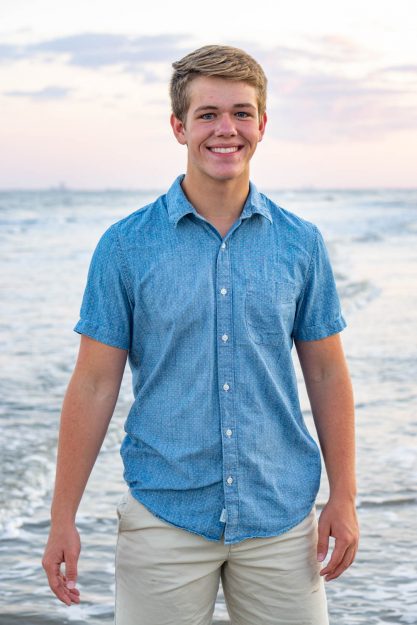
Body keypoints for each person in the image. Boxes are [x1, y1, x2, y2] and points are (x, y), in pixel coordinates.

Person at [42, 44, 359, 625]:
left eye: (241, 113)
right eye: (207, 114)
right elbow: (92, 384)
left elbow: (325, 371)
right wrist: (62, 517)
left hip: (281, 518)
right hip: (164, 517)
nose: (225, 129)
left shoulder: (300, 243)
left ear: (262, 124)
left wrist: (344, 496)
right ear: (178, 126)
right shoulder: (125, 246)